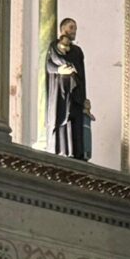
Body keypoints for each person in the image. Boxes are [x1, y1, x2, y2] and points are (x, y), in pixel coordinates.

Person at [47, 18, 91, 161]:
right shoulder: (54, 47)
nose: (74, 31)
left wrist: (84, 98)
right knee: (62, 118)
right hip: (60, 91)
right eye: (71, 27)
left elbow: (82, 75)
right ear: (63, 29)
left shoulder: (77, 51)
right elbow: (49, 66)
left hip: (76, 92)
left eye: (75, 28)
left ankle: (76, 152)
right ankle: (61, 150)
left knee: (75, 120)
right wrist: (59, 69)